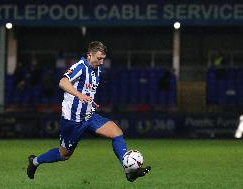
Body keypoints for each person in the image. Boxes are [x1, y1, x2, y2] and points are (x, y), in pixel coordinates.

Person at [26, 41, 151, 182]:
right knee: (64, 154)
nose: (102, 62)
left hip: (89, 116)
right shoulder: (80, 67)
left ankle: (129, 171)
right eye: (99, 58)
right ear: (89, 55)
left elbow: (87, 90)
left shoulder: (96, 69)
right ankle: (35, 161)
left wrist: (90, 101)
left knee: (117, 133)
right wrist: (79, 95)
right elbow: (62, 82)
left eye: (103, 58)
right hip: (73, 120)